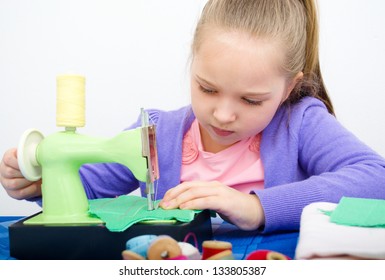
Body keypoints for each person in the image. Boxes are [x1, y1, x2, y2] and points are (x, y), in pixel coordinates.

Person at [1, 0, 385, 233]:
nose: (222, 113)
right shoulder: (157, 133)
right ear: (193, 61)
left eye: (251, 101)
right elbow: (88, 188)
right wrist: (38, 181)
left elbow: (376, 179)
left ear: (288, 88)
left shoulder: (299, 124)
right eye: (208, 88)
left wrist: (255, 207)